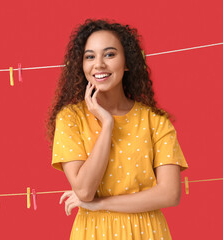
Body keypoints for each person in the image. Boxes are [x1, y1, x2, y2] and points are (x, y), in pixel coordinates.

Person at [46, 19, 189, 240]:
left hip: (148, 233)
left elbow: (170, 194)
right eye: (90, 56)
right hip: (93, 233)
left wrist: (100, 205)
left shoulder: (155, 121)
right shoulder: (70, 118)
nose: (99, 64)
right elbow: (84, 191)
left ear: (127, 62)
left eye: (110, 54)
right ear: (81, 65)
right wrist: (107, 124)